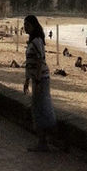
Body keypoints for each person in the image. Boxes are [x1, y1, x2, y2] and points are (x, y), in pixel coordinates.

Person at [22, 15, 55, 152]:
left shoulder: (37, 41)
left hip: (41, 79)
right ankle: (42, 142)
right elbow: (30, 63)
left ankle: (43, 142)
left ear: (34, 26)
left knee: (40, 108)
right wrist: (27, 79)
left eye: (27, 25)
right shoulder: (32, 42)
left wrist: (36, 78)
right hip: (36, 78)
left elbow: (41, 60)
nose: (25, 27)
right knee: (37, 108)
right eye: (24, 25)